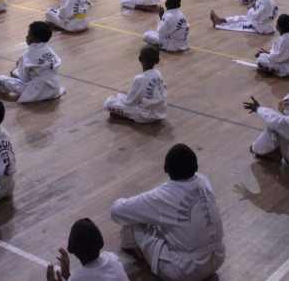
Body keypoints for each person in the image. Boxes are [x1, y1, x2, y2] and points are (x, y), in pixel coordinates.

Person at [109, 143, 226, 281]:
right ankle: (205, 275)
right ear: (196, 166)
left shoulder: (162, 196)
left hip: (184, 271)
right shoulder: (204, 181)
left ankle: (132, 248)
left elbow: (116, 211)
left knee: (135, 220)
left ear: (166, 169)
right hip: (217, 258)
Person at [0, 21, 65, 103]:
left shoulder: (27, 55)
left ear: (37, 39)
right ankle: (15, 72)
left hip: (36, 91)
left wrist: (19, 67)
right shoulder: (50, 51)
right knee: (18, 72)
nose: (26, 37)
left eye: (29, 35)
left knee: (5, 80)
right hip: (54, 89)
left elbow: (24, 79)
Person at [45, 218, 128, 281]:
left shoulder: (76, 278)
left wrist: (68, 277)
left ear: (72, 250)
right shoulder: (112, 258)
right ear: (101, 243)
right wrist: (67, 275)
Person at [104, 45, 168, 123]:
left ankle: (128, 116)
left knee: (109, 103)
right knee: (121, 96)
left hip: (145, 116)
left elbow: (129, 103)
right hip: (161, 112)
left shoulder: (140, 79)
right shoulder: (158, 73)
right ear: (157, 61)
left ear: (140, 59)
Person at [209, 0, 278, 34]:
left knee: (240, 24)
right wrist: (255, 7)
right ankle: (221, 20)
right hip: (264, 24)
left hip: (262, 28)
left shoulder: (265, 3)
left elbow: (255, 17)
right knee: (240, 18)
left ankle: (219, 24)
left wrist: (251, 8)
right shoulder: (268, 0)